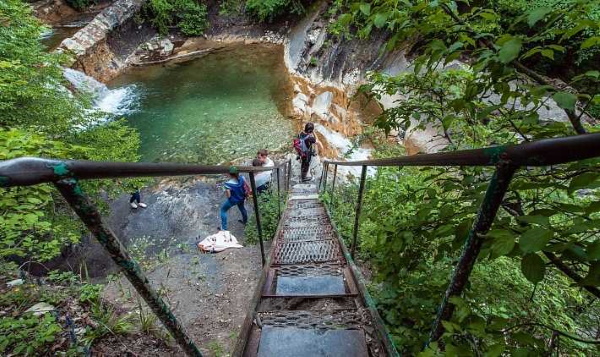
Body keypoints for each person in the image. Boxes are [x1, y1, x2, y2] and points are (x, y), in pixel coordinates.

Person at [220, 166, 248, 231]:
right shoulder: (242, 178)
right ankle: (245, 222)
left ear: (229, 174)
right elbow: (245, 186)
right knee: (242, 208)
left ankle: (224, 229)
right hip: (241, 198)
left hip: (233, 200)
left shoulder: (227, 184)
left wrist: (226, 192)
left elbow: (229, 196)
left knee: (223, 210)